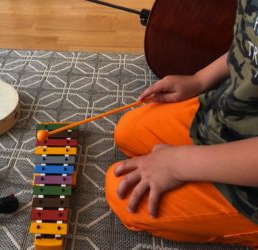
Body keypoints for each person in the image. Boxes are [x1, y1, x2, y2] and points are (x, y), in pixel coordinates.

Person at [105, 0, 258, 247]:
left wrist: (179, 164)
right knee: (128, 131)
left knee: (120, 190)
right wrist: (199, 80)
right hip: (234, 114)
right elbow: (249, 40)